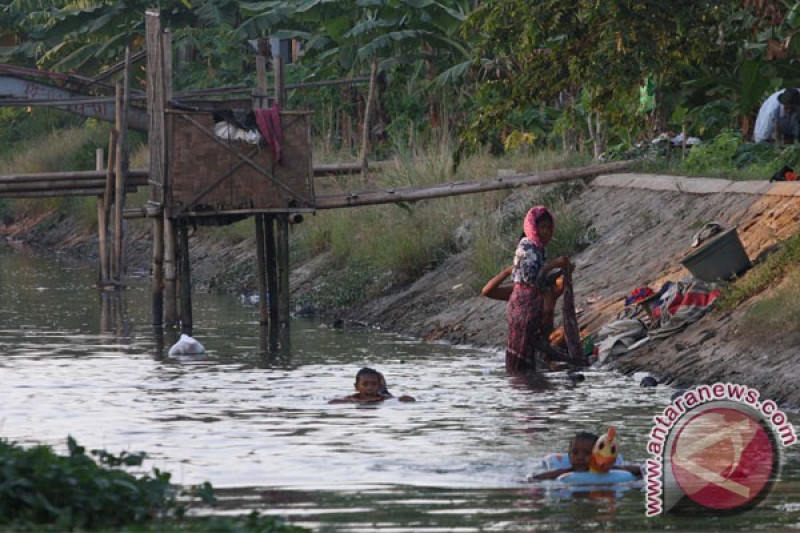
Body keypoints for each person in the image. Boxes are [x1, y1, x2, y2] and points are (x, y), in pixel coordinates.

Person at [505, 206, 573, 373]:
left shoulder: (538, 247)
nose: (546, 232)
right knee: (526, 344)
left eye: (549, 228)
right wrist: (555, 265)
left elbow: (542, 280)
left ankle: (526, 378)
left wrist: (562, 271)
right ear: (533, 227)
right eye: (542, 227)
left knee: (529, 344)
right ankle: (524, 381)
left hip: (531, 304)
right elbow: (531, 279)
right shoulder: (527, 246)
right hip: (524, 306)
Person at [530, 431, 643, 480]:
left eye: (587, 453)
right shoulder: (566, 471)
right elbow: (541, 477)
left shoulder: (606, 469)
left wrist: (613, 468)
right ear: (569, 456)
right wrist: (533, 479)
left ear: (598, 455)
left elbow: (637, 471)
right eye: (575, 453)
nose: (580, 457)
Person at [328, 367, 416, 404]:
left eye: (374, 384)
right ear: (356, 387)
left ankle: (382, 384)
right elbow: (332, 402)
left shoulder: (384, 398)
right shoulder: (352, 399)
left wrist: (402, 399)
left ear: (378, 386)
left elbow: (408, 400)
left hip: (382, 393)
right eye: (365, 384)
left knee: (385, 393)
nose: (369, 387)